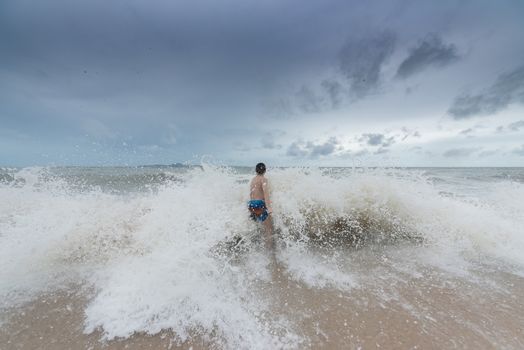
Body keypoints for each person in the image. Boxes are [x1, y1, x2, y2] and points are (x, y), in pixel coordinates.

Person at [248, 162, 274, 248]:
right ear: (265, 170)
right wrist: (269, 207)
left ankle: (257, 248)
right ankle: (269, 251)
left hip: (251, 205)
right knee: (269, 229)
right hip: (260, 205)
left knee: (260, 227)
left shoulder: (253, 180)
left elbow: (251, 194)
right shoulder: (263, 179)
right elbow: (266, 193)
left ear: (256, 170)